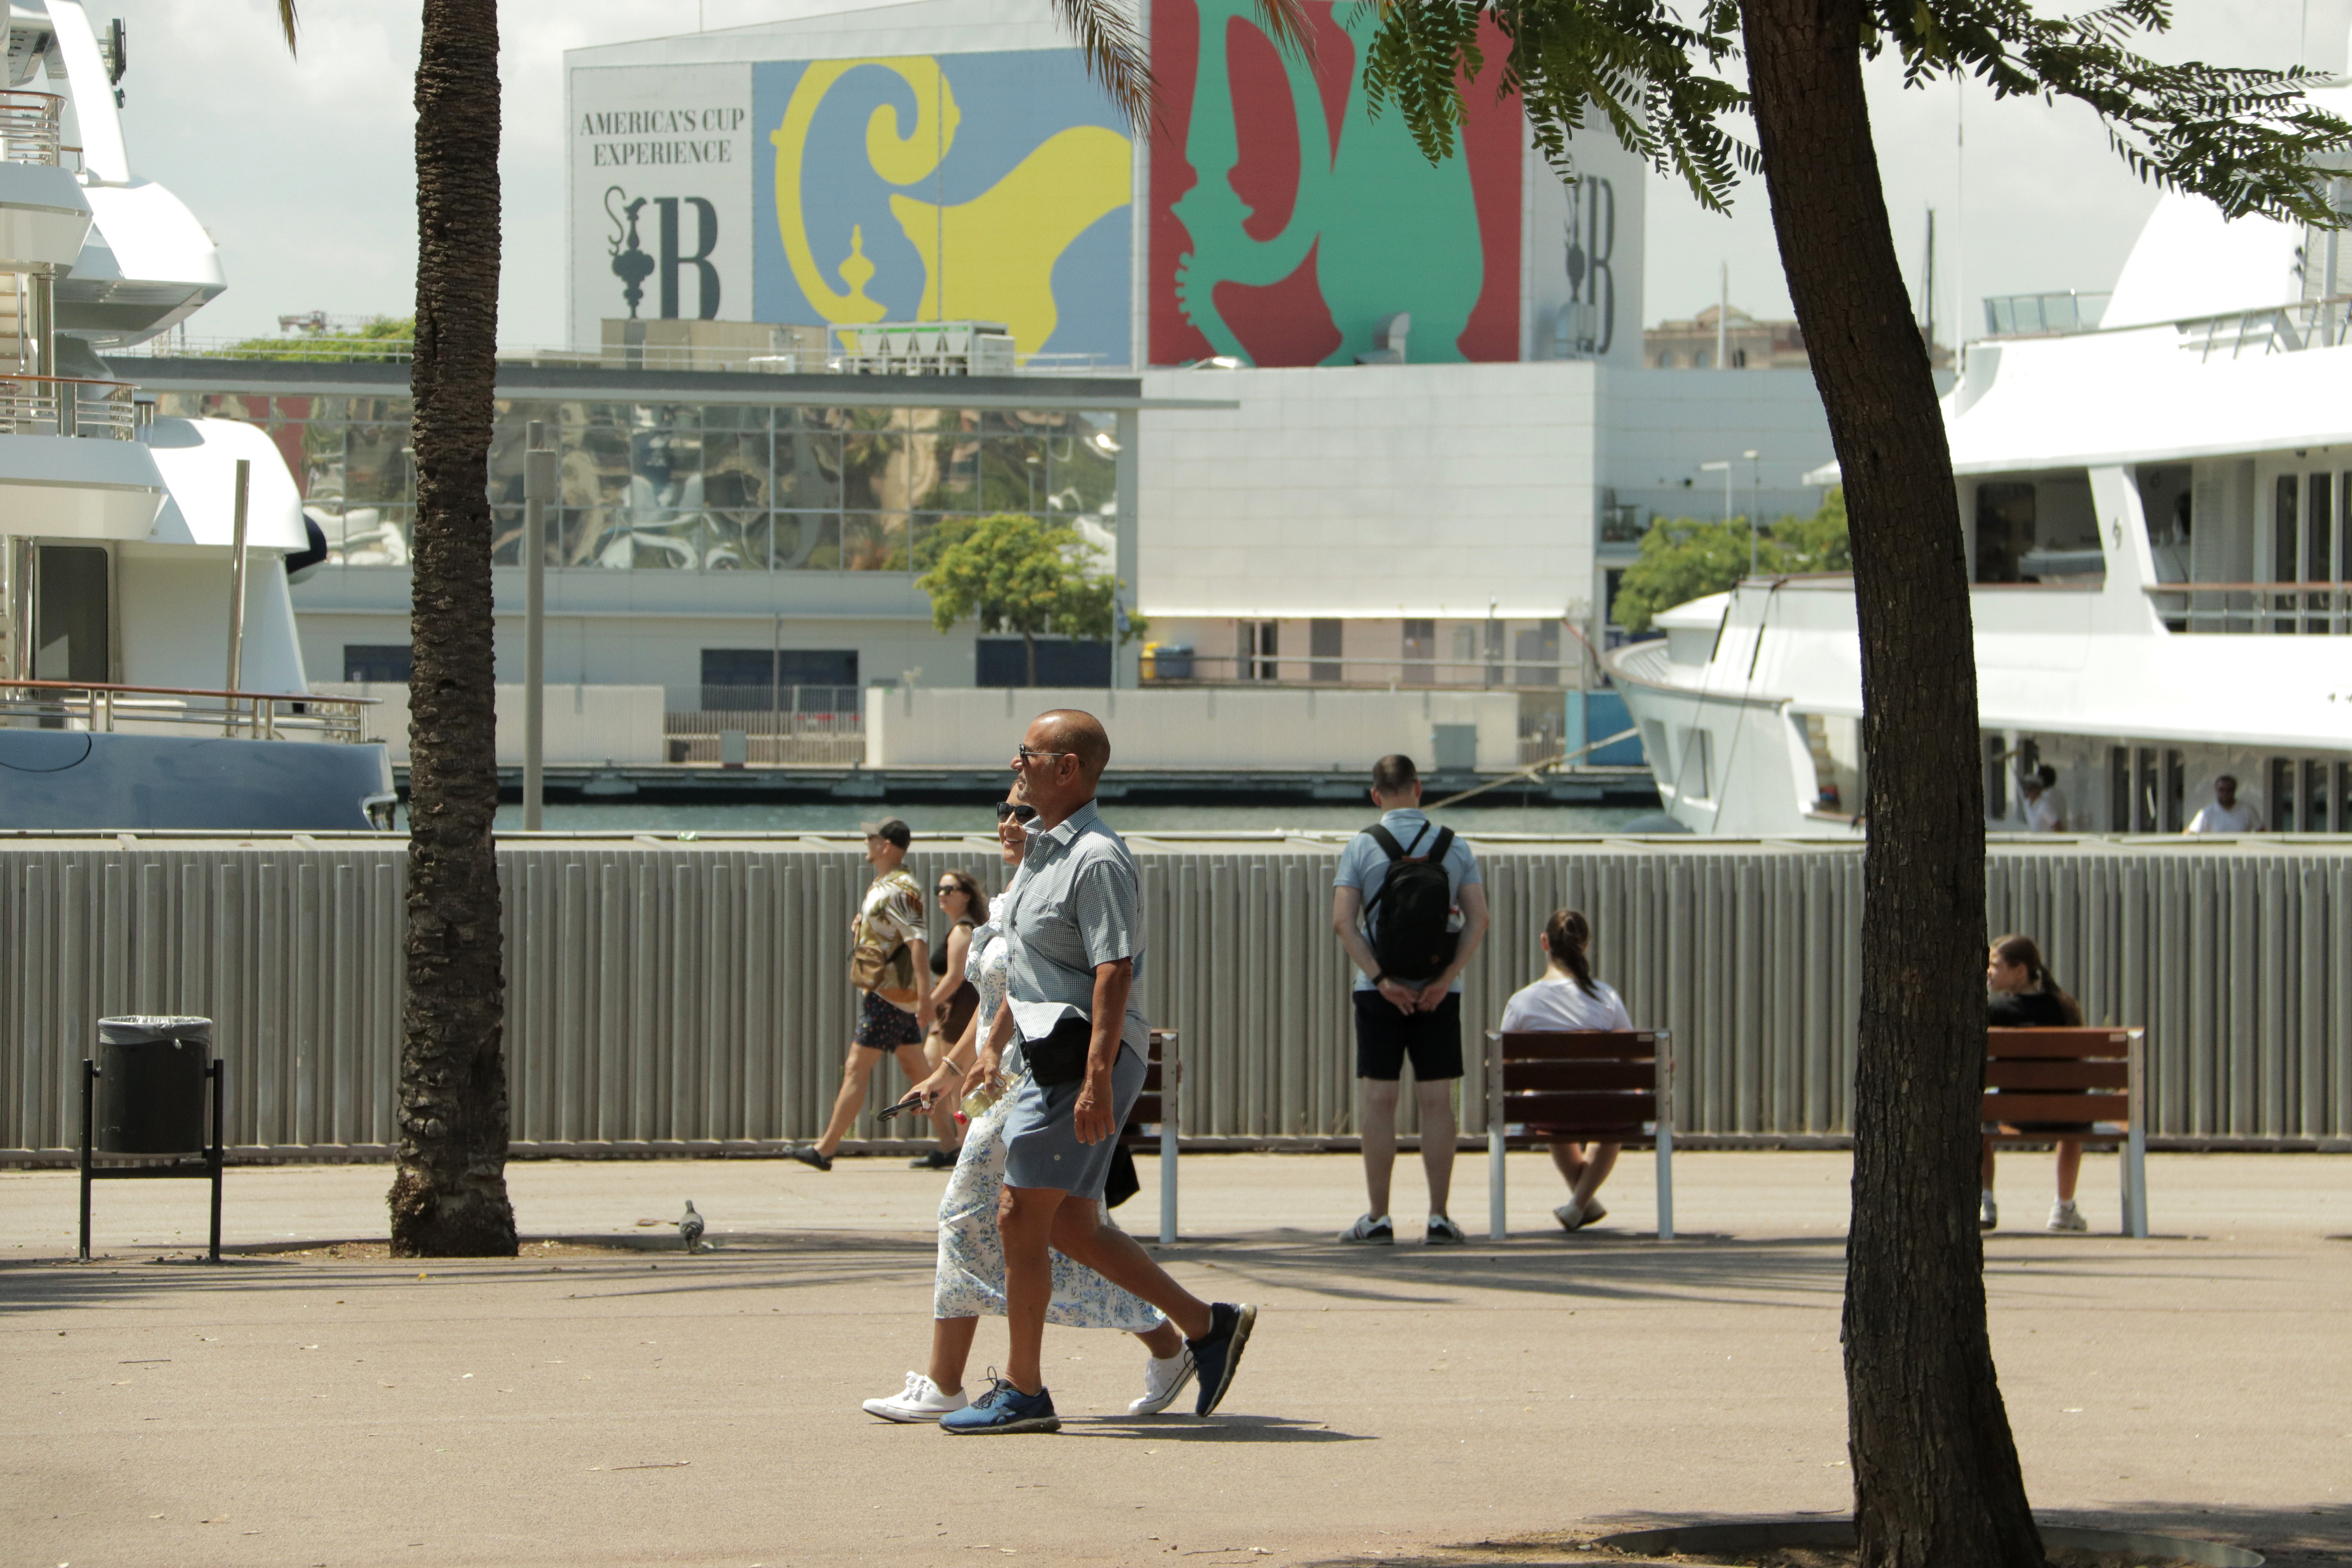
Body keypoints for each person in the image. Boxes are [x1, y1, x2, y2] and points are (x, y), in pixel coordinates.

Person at [939, 709, 1256, 1435]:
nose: (1014, 765)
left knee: (1020, 1214)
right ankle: (1206, 1327)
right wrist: (988, 1047)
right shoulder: (1041, 851)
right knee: (1075, 1228)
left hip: (1081, 1062)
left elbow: (1114, 972)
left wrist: (1093, 1079)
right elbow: (1028, 968)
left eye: (1026, 754)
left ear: (1067, 769)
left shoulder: (1098, 858)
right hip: (1047, 1060)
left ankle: (1023, 1390)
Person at [862, 785, 1196, 1424]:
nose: (1012, 822)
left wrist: (1092, 1075)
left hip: (1037, 1079)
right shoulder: (1015, 898)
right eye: (1005, 813)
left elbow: (1097, 977)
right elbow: (997, 1000)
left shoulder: (1072, 877)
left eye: (1026, 812)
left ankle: (950, 1383)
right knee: (1058, 1237)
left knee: (970, 1218)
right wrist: (950, 1069)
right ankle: (1175, 1335)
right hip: (1000, 1084)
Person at [1330, 753, 1490, 1245]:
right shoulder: (1454, 845)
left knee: (1381, 1100)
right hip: (1439, 993)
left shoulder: (1362, 846)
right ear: (1419, 788)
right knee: (1437, 1101)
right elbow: (1478, 919)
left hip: (1380, 993)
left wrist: (1380, 980)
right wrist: (1444, 979)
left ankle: (1378, 1217)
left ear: (1376, 795)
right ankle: (1440, 1216)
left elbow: (1344, 922)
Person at [787, 818, 952, 1170]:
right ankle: (951, 1143)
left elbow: (917, 942)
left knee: (855, 1068)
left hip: (890, 996)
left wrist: (925, 999)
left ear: (887, 845)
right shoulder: (885, 884)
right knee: (917, 1068)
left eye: (871, 838)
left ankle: (825, 1149)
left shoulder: (901, 888)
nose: (866, 842)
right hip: (885, 992)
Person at [1498, 909, 1635, 1232]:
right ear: (1584, 946)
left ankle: (1579, 1203)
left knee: (1544, 1096)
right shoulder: (1607, 997)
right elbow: (1630, 1058)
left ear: (1545, 943)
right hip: (1607, 1113)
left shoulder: (1522, 1002)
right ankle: (1580, 1204)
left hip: (1549, 1113)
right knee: (1619, 1102)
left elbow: (1503, 1065)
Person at [1979, 933, 2088, 1233]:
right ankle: (2064, 1208)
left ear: (2020, 971)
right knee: (2074, 1123)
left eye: (1995, 965)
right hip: (2067, 1115)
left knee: (1981, 1116)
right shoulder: (2065, 1007)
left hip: (2014, 1114)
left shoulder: (1994, 1012)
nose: (1988, 971)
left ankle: (1985, 1201)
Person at [913, 868, 987, 1169]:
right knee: (931, 1068)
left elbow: (955, 978)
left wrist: (926, 1004)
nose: (942, 895)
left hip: (959, 1011)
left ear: (966, 895)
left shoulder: (963, 930)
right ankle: (953, 1142)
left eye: (949, 889)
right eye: (938, 889)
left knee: (956, 1084)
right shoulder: (960, 928)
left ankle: (964, 1149)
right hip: (948, 1014)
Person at [2186, 774, 2263, 834]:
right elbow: (2190, 833)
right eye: (2221, 790)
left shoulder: (2248, 810)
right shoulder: (2207, 812)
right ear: (2216, 790)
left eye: (2229, 790)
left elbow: (2261, 832)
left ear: (2234, 790)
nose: (2225, 793)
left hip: (2242, 853)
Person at [2018, 765, 2066, 832]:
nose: (2028, 791)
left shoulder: (2044, 806)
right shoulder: (2027, 804)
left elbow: (2058, 828)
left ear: (2039, 789)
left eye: (2031, 788)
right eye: (2025, 788)